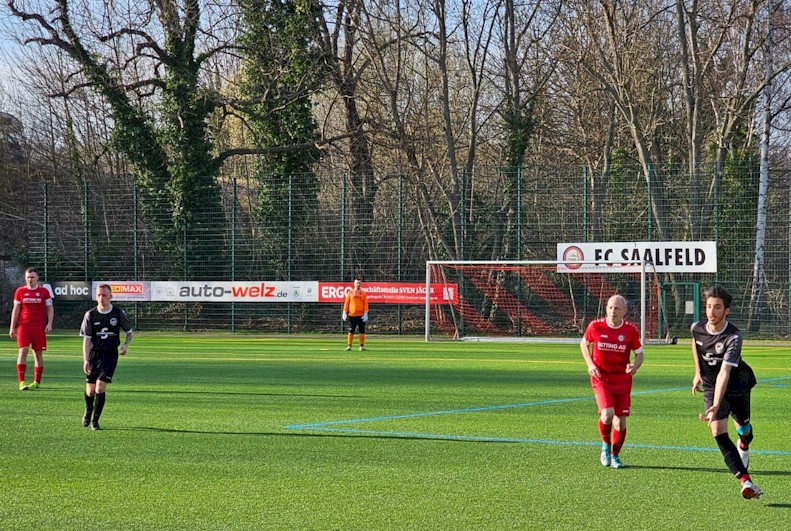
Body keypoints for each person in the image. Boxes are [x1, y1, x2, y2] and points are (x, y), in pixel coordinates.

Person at [691, 285, 761, 499]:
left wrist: (716, 402)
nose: (712, 312)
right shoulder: (697, 328)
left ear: (726, 310)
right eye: (709, 307)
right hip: (712, 386)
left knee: (744, 429)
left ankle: (744, 445)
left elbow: (725, 373)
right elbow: (696, 345)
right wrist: (697, 372)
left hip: (737, 384)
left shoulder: (734, 336)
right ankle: (745, 481)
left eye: (717, 307)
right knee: (717, 430)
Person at [580, 294, 643, 469]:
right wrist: (590, 364)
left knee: (620, 422)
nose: (612, 311)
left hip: (622, 380)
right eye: (610, 307)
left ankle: (615, 455)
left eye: (617, 308)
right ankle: (605, 446)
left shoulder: (630, 330)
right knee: (607, 414)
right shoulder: (596, 326)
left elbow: (640, 354)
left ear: (624, 311)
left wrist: (634, 366)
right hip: (601, 378)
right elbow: (583, 344)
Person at [79, 284, 133, 430]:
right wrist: (85, 360)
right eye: (99, 295)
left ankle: (95, 421)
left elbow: (129, 332)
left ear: (110, 297)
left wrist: (125, 345)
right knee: (90, 391)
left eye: (104, 295)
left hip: (110, 354)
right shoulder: (90, 315)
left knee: (100, 387)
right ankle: (88, 411)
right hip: (93, 354)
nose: (101, 298)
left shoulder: (118, 313)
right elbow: (87, 339)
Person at [9, 267, 54, 390]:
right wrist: (12, 327)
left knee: (37, 354)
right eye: (28, 277)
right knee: (22, 351)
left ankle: (36, 382)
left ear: (37, 278)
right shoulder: (20, 291)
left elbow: (50, 308)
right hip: (24, 326)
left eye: (32, 277)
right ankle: (21, 382)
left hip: (38, 327)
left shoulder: (44, 292)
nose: (30, 279)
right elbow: (16, 309)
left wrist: (49, 323)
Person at [342, 278, 369, 351]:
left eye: (359, 283)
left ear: (361, 284)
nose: (358, 284)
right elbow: (347, 303)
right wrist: (344, 312)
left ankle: (362, 346)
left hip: (361, 315)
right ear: (354, 283)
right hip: (352, 315)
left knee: (362, 331)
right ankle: (349, 346)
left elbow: (365, 304)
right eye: (357, 283)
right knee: (351, 331)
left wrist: (366, 313)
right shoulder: (350, 292)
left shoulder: (363, 293)